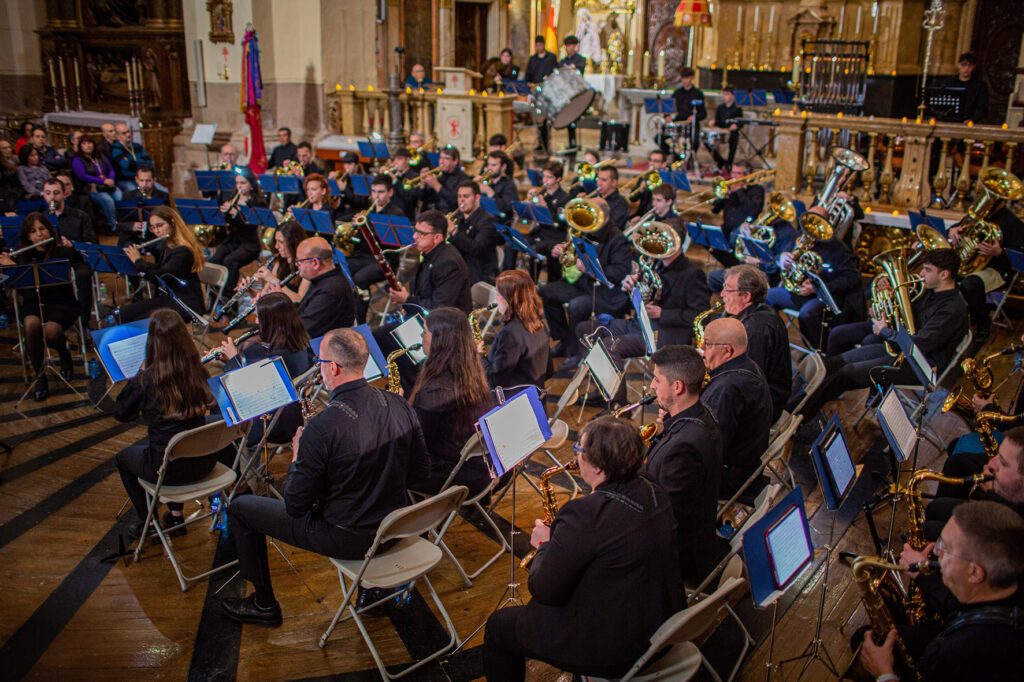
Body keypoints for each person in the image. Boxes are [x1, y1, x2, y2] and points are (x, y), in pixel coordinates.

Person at [220, 328, 431, 626]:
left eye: (320, 362)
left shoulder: (322, 426)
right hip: (397, 527)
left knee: (240, 509)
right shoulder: (398, 403)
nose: (319, 368)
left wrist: (297, 459)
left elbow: (295, 506)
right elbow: (421, 474)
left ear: (333, 368)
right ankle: (370, 594)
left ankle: (263, 604)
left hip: (350, 538)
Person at [483, 417, 684, 681]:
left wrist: (544, 544)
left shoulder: (584, 514)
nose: (576, 457)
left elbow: (544, 590)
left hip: (617, 651)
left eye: (579, 450)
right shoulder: (654, 489)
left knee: (498, 626)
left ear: (598, 467)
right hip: (663, 630)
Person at [796, 248, 969, 422]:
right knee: (832, 363)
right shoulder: (929, 290)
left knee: (845, 374)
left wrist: (884, 330)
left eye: (928, 270)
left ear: (944, 274)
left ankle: (799, 418)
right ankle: (795, 406)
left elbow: (919, 344)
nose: (922, 274)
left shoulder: (952, 310)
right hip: (901, 351)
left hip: (921, 365)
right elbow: (906, 322)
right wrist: (886, 306)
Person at [862, 501, 1024, 681]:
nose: (936, 552)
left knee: (864, 638)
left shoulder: (950, 653)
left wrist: (884, 673)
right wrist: (922, 575)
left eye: (946, 548)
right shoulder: (1010, 591)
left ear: (975, 572)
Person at [113, 309, 220, 537]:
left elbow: (121, 412)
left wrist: (137, 377)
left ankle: (148, 522)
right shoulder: (197, 371)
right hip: (204, 462)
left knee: (124, 459)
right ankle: (175, 516)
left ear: (153, 342)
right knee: (179, 443)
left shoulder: (146, 380)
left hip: (167, 471)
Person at [645, 345, 723, 583]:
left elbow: (667, 518)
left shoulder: (685, 447)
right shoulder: (701, 413)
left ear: (677, 387)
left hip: (677, 558)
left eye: (657, 380)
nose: (652, 386)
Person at [375, 210, 473, 392]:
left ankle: (416, 388)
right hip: (425, 320)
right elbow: (424, 290)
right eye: (416, 231)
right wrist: (409, 305)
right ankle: (403, 383)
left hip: (444, 331)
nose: (414, 236)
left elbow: (439, 308)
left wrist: (407, 300)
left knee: (385, 338)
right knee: (381, 335)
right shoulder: (430, 254)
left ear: (437, 237)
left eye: (421, 233)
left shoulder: (448, 262)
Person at [407, 307, 495, 496]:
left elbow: (420, 448)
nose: (421, 336)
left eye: (425, 332)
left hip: (455, 478)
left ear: (440, 341)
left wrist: (399, 410)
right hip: (480, 469)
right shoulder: (470, 370)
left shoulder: (434, 392)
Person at [540, 196, 634, 368]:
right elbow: (576, 253)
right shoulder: (587, 230)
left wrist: (589, 269)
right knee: (546, 292)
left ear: (603, 215)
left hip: (608, 294)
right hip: (585, 284)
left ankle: (575, 351)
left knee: (577, 306)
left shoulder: (618, 238)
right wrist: (563, 249)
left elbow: (620, 272)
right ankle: (564, 340)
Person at [0, 213, 81, 400]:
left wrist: (15, 267)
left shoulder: (62, 252)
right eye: (33, 231)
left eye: (42, 229)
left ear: (49, 230)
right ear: (28, 236)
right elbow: (24, 293)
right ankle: (40, 376)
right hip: (33, 303)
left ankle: (64, 355)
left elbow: (63, 283)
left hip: (61, 302)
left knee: (50, 332)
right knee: (31, 324)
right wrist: (10, 268)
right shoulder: (22, 254)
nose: (39, 234)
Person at [218, 292, 313, 447]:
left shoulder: (274, 358)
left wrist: (234, 359)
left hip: (272, 424)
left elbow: (248, 389)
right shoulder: (299, 343)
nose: (256, 322)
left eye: (259, 318)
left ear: (270, 322)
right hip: (293, 417)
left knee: (220, 401)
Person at [765, 206, 862, 349]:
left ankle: (817, 351)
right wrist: (782, 258)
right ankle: (772, 343)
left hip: (821, 296)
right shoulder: (796, 238)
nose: (810, 227)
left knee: (807, 314)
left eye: (817, 222)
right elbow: (777, 255)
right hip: (797, 292)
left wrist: (815, 288)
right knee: (767, 297)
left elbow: (852, 277)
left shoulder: (837, 247)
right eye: (809, 221)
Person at [701, 317, 773, 498]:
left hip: (730, 477)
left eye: (707, 344)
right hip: (745, 466)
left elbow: (711, 448)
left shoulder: (727, 389)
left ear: (727, 351)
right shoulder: (749, 365)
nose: (702, 349)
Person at [922, 427, 1024, 540]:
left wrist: (991, 493)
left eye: (1003, 463)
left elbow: (1001, 534)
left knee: (928, 530)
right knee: (935, 508)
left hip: (998, 538)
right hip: (1003, 513)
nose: (990, 464)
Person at [721, 265, 791, 421]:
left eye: (728, 290)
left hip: (761, 409)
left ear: (746, 296)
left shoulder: (756, 329)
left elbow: (747, 380)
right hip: (760, 397)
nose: (722, 294)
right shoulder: (760, 313)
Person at [118, 205, 206, 322]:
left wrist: (138, 261)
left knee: (138, 320)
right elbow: (159, 268)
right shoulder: (168, 245)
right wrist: (135, 260)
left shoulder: (183, 250)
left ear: (172, 223)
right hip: (169, 298)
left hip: (184, 303)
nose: (156, 231)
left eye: (160, 225)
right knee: (125, 313)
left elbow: (162, 278)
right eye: (153, 227)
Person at [952, 204, 1024, 341]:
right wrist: (953, 230)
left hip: (997, 269)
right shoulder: (979, 215)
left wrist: (999, 252)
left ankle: (982, 322)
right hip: (970, 265)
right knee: (942, 276)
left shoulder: (1013, 222)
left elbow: (1019, 257)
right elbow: (960, 227)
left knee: (970, 285)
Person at [263, 236, 355, 339]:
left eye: (299, 261)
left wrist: (278, 308)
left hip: (314, 345)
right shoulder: (322, 280)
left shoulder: (331, 290)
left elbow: (300, 331)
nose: (296, 265)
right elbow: (304, 309)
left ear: (315, 263)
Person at [345, 173, 405, 323]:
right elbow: (360, 243)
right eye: (373, 191)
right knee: (343, 268)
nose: (376, 196)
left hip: (385, 260)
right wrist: (356, 230)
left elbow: (394, 243)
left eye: (381, 192)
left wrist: (369, 228)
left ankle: (360, 321)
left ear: (390, 192)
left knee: (360, 279)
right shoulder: (369, 212)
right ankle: (349, 312)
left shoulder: (396, 214)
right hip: (365, 256)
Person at [482, 269, 550, 390]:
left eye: (498, 294)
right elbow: (549, 371)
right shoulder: (539, 324)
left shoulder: (510, 334)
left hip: (514, 398)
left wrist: (479, 356)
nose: (496, 298)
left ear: (511, 299)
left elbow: (495, 381)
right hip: (536, 395)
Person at [210, 166, 265, 296]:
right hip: (232, 241)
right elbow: (228, 225)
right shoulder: (232, 199)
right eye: (237, 183)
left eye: (243, 183)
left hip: (249, 244)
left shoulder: (258, 203)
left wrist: (236, 214)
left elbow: (251, 226)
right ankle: (214, 294)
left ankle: (229, 297)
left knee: (230, 262)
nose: (239, 186)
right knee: (214, 260)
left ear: (251, 185)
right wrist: (224, 214)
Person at [448, 180, 500, 285]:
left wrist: (454, 231)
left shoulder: (487, 220)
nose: (461, 200)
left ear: (477, 198)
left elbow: (476, 249)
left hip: (479, 273)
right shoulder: (458, 218)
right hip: (461, 268)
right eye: (459, 196)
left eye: (466, 196)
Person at [526, 160, 570, 282]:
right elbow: (531, 217)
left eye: (549, 177)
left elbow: (559, 224)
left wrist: (545, 207)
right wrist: (530, 206)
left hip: (555, 237)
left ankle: (548, 285)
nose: (544, 180)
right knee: (511, 243)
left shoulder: (565, 198)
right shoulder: (542, 193)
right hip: (540, 233)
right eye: (543, 176)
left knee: (537, 250)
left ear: (558, 179)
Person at [70, 134, 121, 231]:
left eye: (89, 143)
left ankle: (123, 222)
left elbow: (111, 169)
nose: (88, 146)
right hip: (92, 187)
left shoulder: (100, 156)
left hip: (108, 184)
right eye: (84, 143)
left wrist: (111, 179)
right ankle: (113, 226)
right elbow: (82, 176)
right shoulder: (77, 159)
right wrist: (103, 181)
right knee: (108, 200)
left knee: (119, 196)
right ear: (80, 146)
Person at [250, 221, 305, 302]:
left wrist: (274, 280)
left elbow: (300, 300)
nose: (276, 246)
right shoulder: (280, 263)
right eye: (276, 241)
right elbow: (264, 296)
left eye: (281, 242)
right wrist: (250, 291)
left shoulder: (305, 266)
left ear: (293, 242)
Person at [115, 166, 169, 247]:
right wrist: (132, 226)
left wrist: (154, 227)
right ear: (136, 179)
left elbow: (168, 220)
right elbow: (119, 224)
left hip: (154, 236)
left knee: (162, 247)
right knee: (127, 247)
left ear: (154, 180)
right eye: (141, 180)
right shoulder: (128, 196)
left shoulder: (163, 196)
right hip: (132, 237)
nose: (144, 184)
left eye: (148, 181)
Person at [665, 67, 706, 160]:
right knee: (661, 137)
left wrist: (694, 117)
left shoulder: (698, 94)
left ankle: (688, 160)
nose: (684, 80)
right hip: (678, 122)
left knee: (694, 141)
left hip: (691, 125)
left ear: (692, 78)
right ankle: (676, 156)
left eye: (687, 78)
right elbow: (668, 109)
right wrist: (667, 116)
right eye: (683, 78)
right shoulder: (677, 93)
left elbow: (703, 113)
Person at [936, 52, 990, 124]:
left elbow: (982, 109)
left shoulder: (980, 85)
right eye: (964, 65)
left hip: (969, 122)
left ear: (974, 66)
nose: (967, 68)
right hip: (949, 120)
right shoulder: (949, 82)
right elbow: (941, 104)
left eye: (970, 65)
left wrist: (972, 119)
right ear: (958, 65)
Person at [525, 35, 557, 151]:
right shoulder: (533, 59)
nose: (539, 47)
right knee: (538, 117)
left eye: (540, 45)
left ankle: (547, 141)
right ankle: (540, 141)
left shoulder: (551, 58)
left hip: (547, 91)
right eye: (537, 45)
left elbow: (555, 73)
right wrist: (530, 86)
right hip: (536, 91)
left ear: (544, 45)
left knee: (546, 117)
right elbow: (528, 75)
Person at [557, 35, 587, 151]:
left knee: (574, 117)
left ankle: (573, 142)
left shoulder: (580, 60)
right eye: (567, 46)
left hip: (576, 92)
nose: (568, 48)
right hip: (566, 92)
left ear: (575, 46)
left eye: (570, 46)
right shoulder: (563, 61)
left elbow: (578, 72)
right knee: (568, 117)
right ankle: (571, 142)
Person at [110, 123, 157, 194]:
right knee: (138, 193)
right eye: (124, 133)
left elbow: (149, 163)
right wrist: (141, 162)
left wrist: (134, 162)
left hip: (144, 178)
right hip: (126, 180)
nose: (128, 135)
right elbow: (127, 165)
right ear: (117, 136)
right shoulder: (115, 149)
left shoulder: (137, 146)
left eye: (128, 132)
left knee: (163, 191)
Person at [419, 145, 468, 214]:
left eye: (446, 158)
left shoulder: (463, 178)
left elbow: (456, 201)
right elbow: (423, 198)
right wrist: (423, 185)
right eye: (441, 158)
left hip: (448, 215)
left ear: (455, 161)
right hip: (430, 212)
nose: (441, 162)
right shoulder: (437, 173)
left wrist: (437, 186)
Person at [709, 86, 743, 173]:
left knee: (734, 138)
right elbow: (718, 121)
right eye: (723, 94)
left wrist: (736, 125)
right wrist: (713, 122)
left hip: (731, 132)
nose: (724, 97)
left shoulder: (737, 108)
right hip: (721, 132)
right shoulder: (720, 108)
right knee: (708, 140)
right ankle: (720, 160)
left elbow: (740, 122)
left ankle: (729, 163)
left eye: (727, 94)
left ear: (733, 96)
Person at [479, 150, 518, 225]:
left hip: (498, 224)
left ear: (503, 167)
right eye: (488, 164)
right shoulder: (487, 181)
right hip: (482, 221)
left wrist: (489, 192)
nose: (489, 168)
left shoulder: (509, 185)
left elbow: (505, 209)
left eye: (494, 165)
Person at [628, 149, 669, 218]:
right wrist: (641, 189)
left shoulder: (666, 180)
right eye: (650, 160)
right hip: (641, 215)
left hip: (659, 216)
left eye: (656, 161)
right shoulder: (645, 177)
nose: (652, 163)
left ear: (664, 164)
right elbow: (632, 198)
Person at [593, 164, 630, 230]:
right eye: (598, 179)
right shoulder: (595, 197)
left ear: (613, 182)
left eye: (604, 180)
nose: (598, 183)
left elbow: (612, 227)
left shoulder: (621, 204)